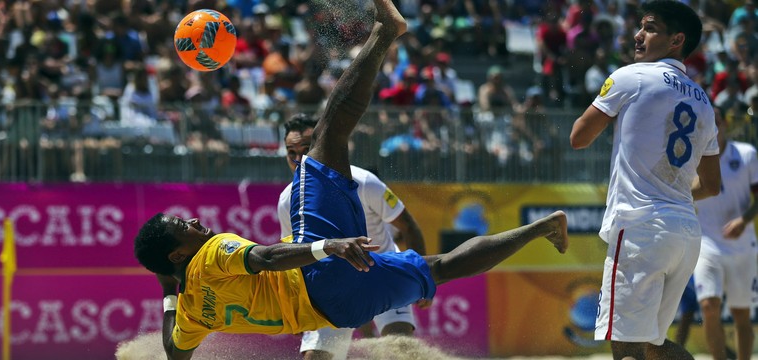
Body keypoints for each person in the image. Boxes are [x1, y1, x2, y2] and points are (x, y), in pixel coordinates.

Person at [137, 1, 569, 359]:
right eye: (184, 228)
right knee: (326, 133)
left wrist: (169, 292)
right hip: (320, 270)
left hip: (333, 309)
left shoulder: (193, 310)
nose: (194, 223)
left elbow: (175, 353)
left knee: (444, 267)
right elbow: (267, 258)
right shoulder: (211, 254)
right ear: (178, 252)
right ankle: (384, 31)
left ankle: (541, 228)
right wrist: (330, 247)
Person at [569, 1, 722, 359]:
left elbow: (578, 137)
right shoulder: (703, 101)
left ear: (676, 40)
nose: (638, 34)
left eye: (650, 28)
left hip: (642, 228)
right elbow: (712, 185)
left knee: (627, 347)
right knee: (654, 346)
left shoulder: (631, 76)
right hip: (685, 230)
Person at [278, 114, 428, 359]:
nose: (297, 159)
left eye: (305, 149)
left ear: (320, 146)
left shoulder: (365, 181)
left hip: (385, 272)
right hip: (332, 285)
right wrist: (294, 308)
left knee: (401, 351)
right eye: (290, 151)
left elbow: (409, 227)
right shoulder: (288, 200)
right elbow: (294, 258)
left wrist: (421, 277)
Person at [693, 106, 758, 360]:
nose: (714, 126)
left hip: (742, 245)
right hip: (707, 243)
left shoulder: (746, 154)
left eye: (717, 121)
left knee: (741, 314)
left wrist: (744, 220)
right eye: (709, 122)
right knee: (709, 307)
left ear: (725, 125)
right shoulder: (692, 158)